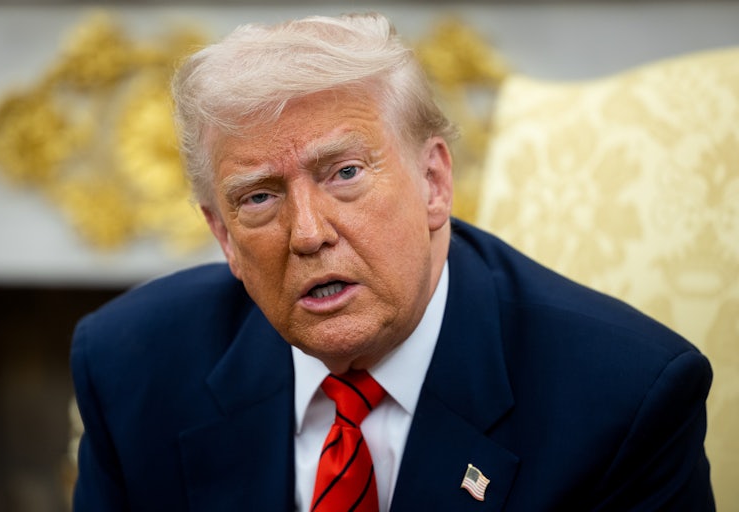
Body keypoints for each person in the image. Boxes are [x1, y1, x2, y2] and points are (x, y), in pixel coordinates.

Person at [70, 12, 714, 511]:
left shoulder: (625, 399)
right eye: (259, 197)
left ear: (433, 181)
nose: (308, 234)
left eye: (345, 173)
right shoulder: (131, 367)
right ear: (224, 237)